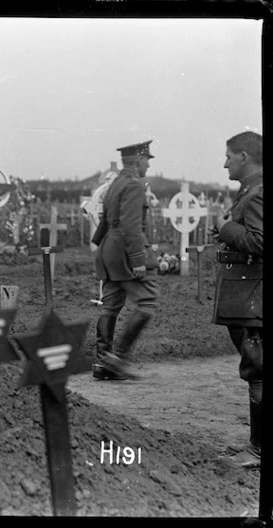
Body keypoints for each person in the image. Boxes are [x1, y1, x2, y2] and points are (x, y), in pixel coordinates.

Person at [212, 131, 263, 468]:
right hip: (246, 292)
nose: (225, 161)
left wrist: (225, 227)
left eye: (229, 155)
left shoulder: (258, 194)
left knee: (258, 366)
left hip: (254, 292)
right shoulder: (249, 192)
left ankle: (259, 450)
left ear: (245, 156)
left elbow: (260, 242)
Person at [91, 140, 159, 380]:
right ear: (139, 161)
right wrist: (138, 260)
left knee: (110, 305)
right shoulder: (133, 185)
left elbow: (105, 221)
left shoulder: (115, 183)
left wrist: (100, 245)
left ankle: (102, 363)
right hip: (125, 251)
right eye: (148, 161)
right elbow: (131, 225)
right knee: (147, 302)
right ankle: (117, 358)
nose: (149, 166)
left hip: (110, 250)